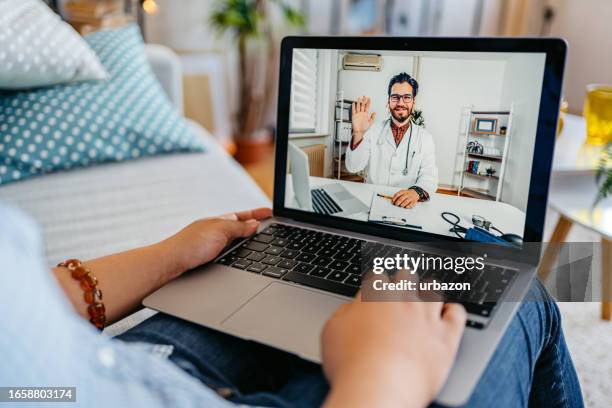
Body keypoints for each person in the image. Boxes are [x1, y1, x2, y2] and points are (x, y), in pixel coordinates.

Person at [1, 201, 584, 407]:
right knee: (521, 290)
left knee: (443, 268)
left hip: (139, 369)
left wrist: (171, 255)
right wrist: (387, 373)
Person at [345, 72, 438, 209]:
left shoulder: (425, 138)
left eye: (407, 97)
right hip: (373, 199)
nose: (400, 103)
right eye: (395, 97)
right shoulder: (372, 130)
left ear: (413, 102)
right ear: (388, 101)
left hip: (407, 204)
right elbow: (353, 167)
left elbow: (429, 176)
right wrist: (358, 133)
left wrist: (415, 192)